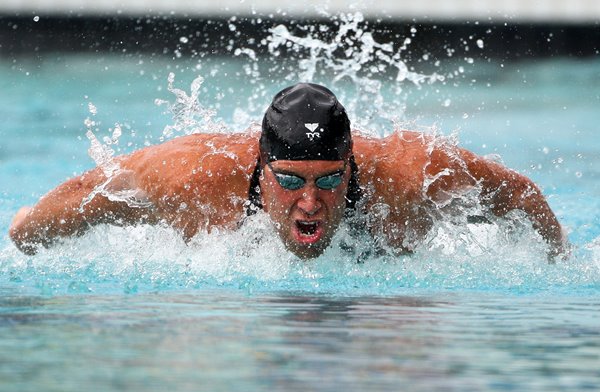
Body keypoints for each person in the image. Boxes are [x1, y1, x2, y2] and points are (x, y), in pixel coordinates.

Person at [9, 83, 568, 260]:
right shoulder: (190, 179)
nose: (310, 201)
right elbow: (76, 202)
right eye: (291, 181)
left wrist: (559, 259)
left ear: (349, 167)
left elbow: (522, 193)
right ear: (261, 165)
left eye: (329, 180)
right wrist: (27, 234)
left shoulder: (409, 175)